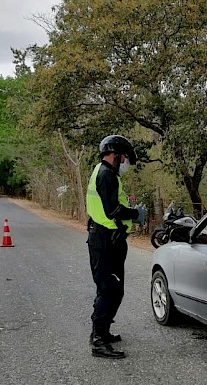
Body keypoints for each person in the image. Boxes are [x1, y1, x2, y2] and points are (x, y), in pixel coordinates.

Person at [85, 134, 145, 359]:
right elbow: (113, 210)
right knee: (109, 289)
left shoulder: (103, 172)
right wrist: (136, 214)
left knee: (111, 288)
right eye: (125, 158)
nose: (126, 162)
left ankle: (101, 332)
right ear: (116, 155)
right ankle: (99, 341)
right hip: (104, 239)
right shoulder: (106, 175)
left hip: (107, 237)